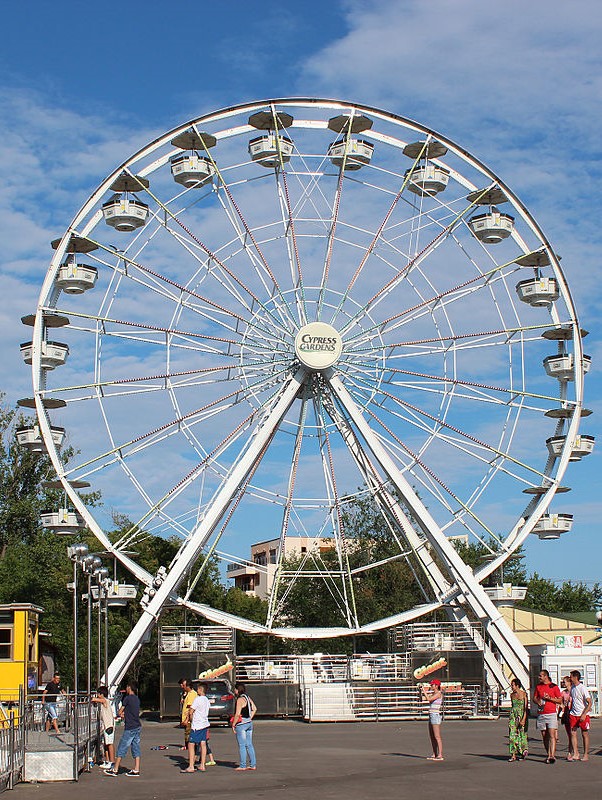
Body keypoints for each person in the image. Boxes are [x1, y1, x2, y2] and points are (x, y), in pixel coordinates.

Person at [106, 681, 141, 777]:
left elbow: (120, 710)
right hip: (137, 725)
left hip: (129, 727)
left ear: (129, 688)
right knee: (136, 747)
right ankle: (136, 768)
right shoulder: (137, 699)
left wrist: (120, 714)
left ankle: (115, 769)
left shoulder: (127, 698)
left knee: (122, 747)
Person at [533, 669, 562, 763]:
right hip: (541, 713)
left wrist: (550, 698)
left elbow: (560, 700)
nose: (539, 677)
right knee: (544, 735)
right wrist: (538, 702)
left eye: (541, 676)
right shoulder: (538, 686)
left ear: (546, 676)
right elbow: (534, 698)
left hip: (551, 713)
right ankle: (548, 754)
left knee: (552, 735)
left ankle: (552, 755)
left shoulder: (554, 687)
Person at [181, 681, 210, 773]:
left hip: (197, 725)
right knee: (203, 743)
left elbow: (191, 711)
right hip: (204, 724)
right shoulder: (206, 700)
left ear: (201, 690)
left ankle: (191, 766)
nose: (197, 690)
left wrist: (187, 719)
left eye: (198, 689)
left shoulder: (198, 699)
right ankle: (202, 765)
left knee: (191, 744)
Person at [231, 682, 257, 771]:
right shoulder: (247, 697)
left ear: (238, 690)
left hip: (241, 724)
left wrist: (233, 724)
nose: (234, 691)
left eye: (235, 689)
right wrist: (250, 717)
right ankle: (253, 764)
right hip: (249, 723)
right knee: (249, 744)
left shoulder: (239, 700)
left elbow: (237, 714)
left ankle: (243, 765)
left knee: (242, 745)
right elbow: (254, 708)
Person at [569, 670, 592, 761]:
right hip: (573, 714)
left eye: (571, 677)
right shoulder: (573, 688)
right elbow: (572, 700)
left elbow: (590, 702)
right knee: (573, 732)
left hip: (582, 714)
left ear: (575, 677)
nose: (570, 678)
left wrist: (584, 714)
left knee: (584, 733)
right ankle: (576, 753)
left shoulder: (582, 688)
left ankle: (585, 754)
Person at [92, 686, 115, 770]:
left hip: (109, 726)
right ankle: (108, 761)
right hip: (105, 726)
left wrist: (92, 698)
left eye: (98, 693)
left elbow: (98, 700)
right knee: (106, 744)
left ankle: (112, 762)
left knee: (109, 744)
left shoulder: (106, 701)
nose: (97, 695)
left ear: (102, 694)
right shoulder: (103, 703)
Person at [421, 679, 444, 761]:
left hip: (435, 715)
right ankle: (435, 753)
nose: (431, 686)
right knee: (432, 736)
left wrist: (424, 690)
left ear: (436, 686)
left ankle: (440, 754)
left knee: (437, 736)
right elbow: (426, 698)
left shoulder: (438, 693)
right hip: (431, 714)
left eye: (432, 685)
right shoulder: (433, 694)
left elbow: (429, 699)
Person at [507, 678, 528, 761]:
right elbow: (513, 706)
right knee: (512, 734)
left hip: (522, 714)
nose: (512, 687)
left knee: (521, 734)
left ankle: (522, 752)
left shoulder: (523, 694)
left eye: (513, 685)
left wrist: (523, 719)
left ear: (517, 685)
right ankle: (513, 754)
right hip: (513, 715)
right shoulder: (512, 695)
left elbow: (525, 708)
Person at [559, 675, 573, 760]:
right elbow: (560, 702)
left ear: (569, 682)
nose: (563, 683)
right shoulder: (563, 692)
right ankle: (570, 752)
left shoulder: (573, 691)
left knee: (573, 733)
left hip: (573, 712)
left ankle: (572, 751)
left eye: (564, 682)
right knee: (569, 734)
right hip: (566, 713)